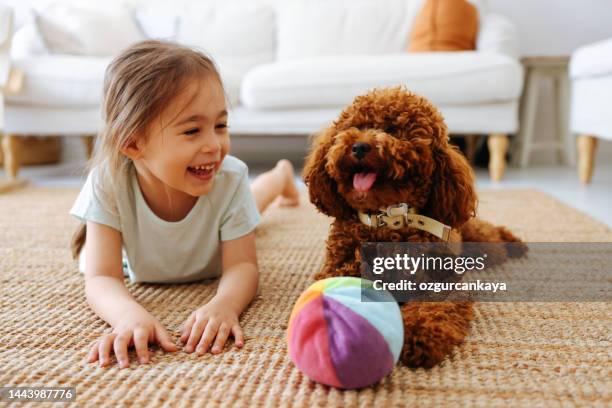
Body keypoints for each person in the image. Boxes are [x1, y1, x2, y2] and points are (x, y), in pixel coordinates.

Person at [69, 40, 299, 369]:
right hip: (143, 254)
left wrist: (225, 305)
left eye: (220, 126)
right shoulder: (108, 183)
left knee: (255, 202)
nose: (215, 145)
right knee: (251, 203)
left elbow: (243, 266)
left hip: (222, 226)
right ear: (132, 142)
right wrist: (129, 315)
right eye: (192, 130)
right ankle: (279, 176)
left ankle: (280, 175)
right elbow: (101, 278)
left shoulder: (230, 178)